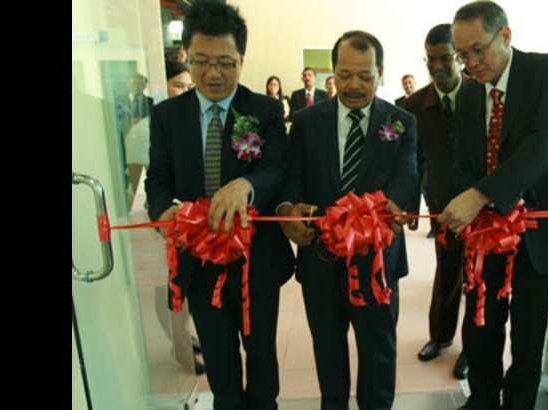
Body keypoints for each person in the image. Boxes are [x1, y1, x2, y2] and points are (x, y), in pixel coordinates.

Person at [145, 1, 294, 408]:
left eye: (226, 62)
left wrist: (245, 184)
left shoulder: (263, 110)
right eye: (202, 61)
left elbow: (277, 168)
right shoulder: (167, 116)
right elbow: (157, 178)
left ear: (242, 59)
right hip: (200, 261)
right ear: (185, 57)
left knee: (262, 358)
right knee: (220, 364)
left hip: (256, 260)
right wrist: (162, 213)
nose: (213, 73)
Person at [438, 2, 548, 409]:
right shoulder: (467, 95)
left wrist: (481, 194)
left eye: (478, 50)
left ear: (506, 35)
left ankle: (518, 403)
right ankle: (481, 399)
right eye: (462, 54)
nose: (470, 62)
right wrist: (469, 204)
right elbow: (461, 159)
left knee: (529, 330)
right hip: (485, 233)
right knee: (481, 323)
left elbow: (545, 143)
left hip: (537, 228)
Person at [277, 30, 417, 410]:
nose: (354, 85)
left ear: (380, 72)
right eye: (345, 74)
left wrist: (394, 204)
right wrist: (287, 209)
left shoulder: (401, 121)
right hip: (321, 256)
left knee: (378, 351)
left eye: (365, 75)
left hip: (377, 258)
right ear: (332, 73)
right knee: (328, 349)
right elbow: (293, 176)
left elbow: (408, 174)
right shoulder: (307, 122)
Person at [403, 23, 471, 380]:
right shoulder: (416, 104)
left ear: (458, 58)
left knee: (479, 278)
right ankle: (440, 337)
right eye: (431, 59)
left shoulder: (480, 94)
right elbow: (413, 159)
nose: (438, 66)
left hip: (484, 209)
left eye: (445, 58)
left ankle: (472, 348)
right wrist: (412, 204)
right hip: (443, 206)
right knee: (447, 272)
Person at [125, 60, 194, 208]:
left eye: (191, 87)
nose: (187, 92)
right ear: (159, 87)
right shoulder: (142, 132)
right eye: (178, 86)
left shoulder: (196, 125)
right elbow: (138, 189)